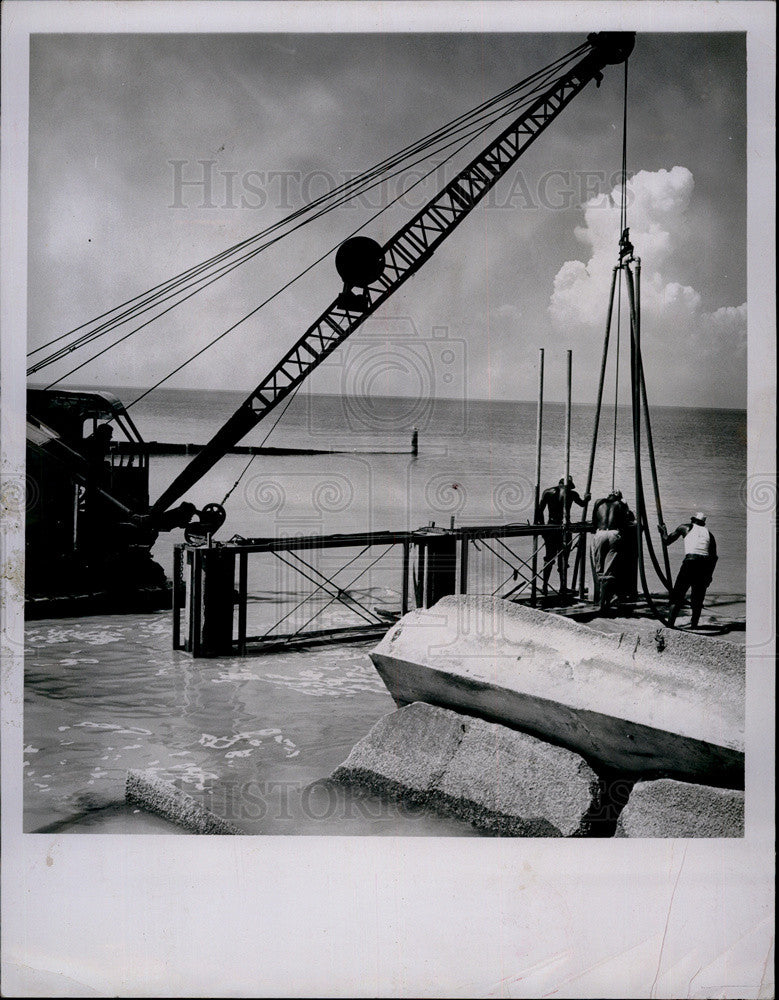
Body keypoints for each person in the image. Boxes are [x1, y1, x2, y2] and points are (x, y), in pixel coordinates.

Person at [659, 512, 718, 627]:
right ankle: (694, 624)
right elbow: (714, 558)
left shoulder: (685, 527)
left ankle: (670, 624)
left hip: (690, 562)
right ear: (703, 523)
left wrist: (663, 531)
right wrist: (709, 576)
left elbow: (667, 541)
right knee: (698, 598)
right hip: (705, 565)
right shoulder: (709, 534)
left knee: (677, 595)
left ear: (692, 520)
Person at [537, 476, 590, 596]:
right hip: (565, 528)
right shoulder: (572, 494)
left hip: (550, 527)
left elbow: (539, 511)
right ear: (569, 484)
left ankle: (544, 586)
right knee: (563, 558)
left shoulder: (548, 492)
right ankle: (562, 586)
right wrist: (587, 499)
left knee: (549, 557)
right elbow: (582, 504)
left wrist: (542, 528)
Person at [590, 489, 632, 611]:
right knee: (609, 571)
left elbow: (594, 522)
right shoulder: (620, 505)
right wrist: (625, 504)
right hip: (614, 534)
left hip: (600, 533)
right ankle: (605, 601)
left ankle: (600, 600)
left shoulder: (599, 502)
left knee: (599, 569)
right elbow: (626, 521)